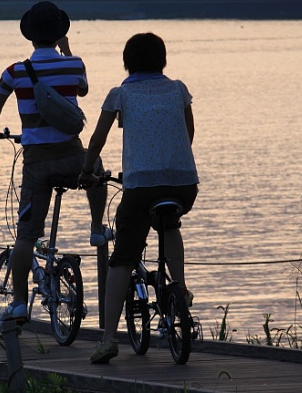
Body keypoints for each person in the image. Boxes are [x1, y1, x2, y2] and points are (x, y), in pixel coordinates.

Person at [0, 1, 110, 321]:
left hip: (37, 164)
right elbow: (84, 88)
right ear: (60, 34)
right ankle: (96, 228)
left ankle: (20, 303)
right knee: (97, 170)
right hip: (72, 158)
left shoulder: (15, 72)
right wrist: (68, 51)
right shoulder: (74, 64)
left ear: (30, 37)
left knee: (25, 237)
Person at [79, 32, 199, 364]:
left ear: (127, 62)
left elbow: (97, 140)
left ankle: (107, 339)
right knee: (169, 224)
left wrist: (87, 171)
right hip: (183, 185)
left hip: (141, 188)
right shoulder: (178, 89)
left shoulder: (121, 94)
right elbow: (188, 134)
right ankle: (181, 289)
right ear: (163, 60)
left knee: (122, 259)